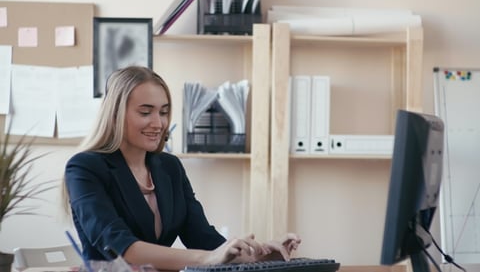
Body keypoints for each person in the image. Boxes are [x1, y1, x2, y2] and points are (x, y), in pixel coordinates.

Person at [63, 66, 301, 271]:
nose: (158, 123)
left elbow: (203, 238)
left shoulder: (169, 167)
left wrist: (255, 256)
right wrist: (208, 258)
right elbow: (122, 248)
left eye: (164, 112)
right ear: (115, 114)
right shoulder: (85, 167)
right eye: (145, 112)